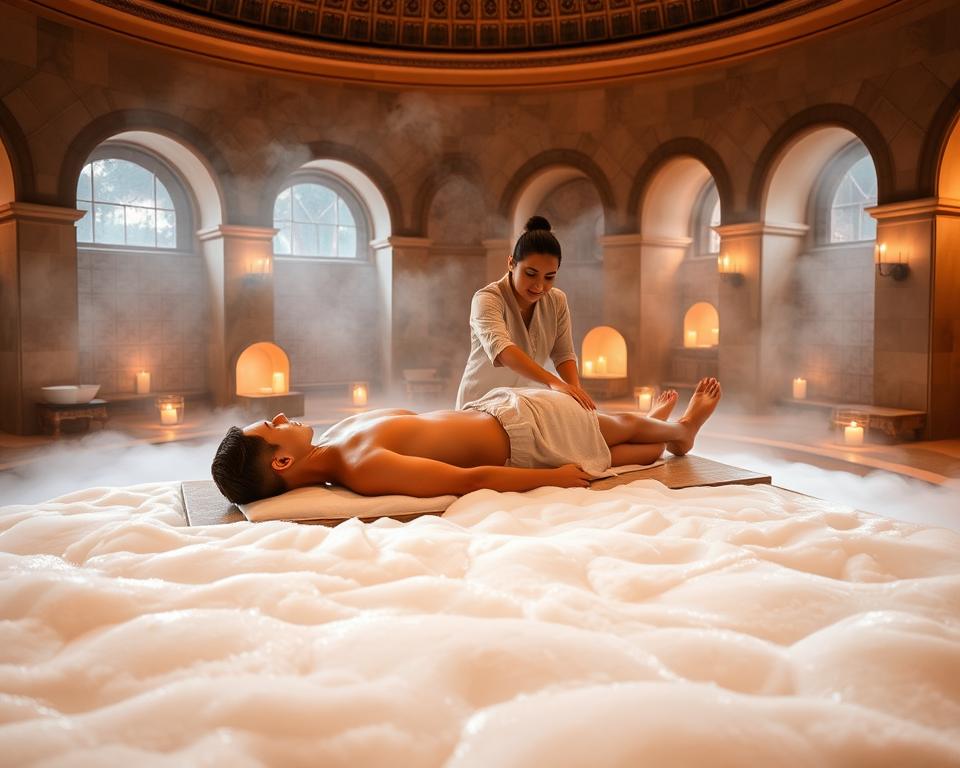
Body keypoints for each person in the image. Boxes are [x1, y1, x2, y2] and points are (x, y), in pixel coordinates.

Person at [211, 378, 720, 504]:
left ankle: (663, 432)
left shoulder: (339, 437)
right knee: (614, 434)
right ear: (280, 461)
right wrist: (550, 479)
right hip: (524, 436)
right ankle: (680, 431)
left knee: (614, 446)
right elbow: (466, 480)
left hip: (498, 414)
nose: (279, 415)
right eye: (271, 425)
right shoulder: (361, 468)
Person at [455, 215, 595, 411]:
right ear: (511, 263)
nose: (539, 285)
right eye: (531, 274)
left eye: (549, 277)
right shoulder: (487, 299)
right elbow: (503, 351)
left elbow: (563, 354)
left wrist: (576, 394)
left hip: (521, 406)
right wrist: (555, 383)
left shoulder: (557, 300)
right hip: (480, 404)